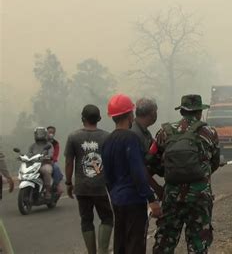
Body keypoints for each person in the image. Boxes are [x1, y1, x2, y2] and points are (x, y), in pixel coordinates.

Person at [153, 94, 221, 254]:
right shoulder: (209, 133)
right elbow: (215, 163)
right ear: (199, 112)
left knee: (164, 243)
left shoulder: (164, 132)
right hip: (199, 198)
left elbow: (153, 163)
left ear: (182, 111)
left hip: (171, 197)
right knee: (198, 244)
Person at [102, 93, 161, 254]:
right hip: (134, 200)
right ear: (130, 114)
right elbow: (138, 170)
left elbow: (106, 175)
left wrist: (114, 194)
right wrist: (151, 199)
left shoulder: (107, 141)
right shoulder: (131, 138)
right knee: (135, 243)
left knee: (120, 243)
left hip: (117, 200)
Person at [64, 105, 113, 254]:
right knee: (107, 218)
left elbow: (68, 162)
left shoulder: (73, 137)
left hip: (82, 187)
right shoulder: (107, 137)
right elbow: (111, 162)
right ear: (99, 119)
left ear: (83, 118)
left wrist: (68, 183)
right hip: (100, 186)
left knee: (86, 220)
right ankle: (103, 250)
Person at [130, 98, 163, 199]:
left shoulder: (144, 131)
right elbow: (139, 167)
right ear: (153, 113)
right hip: (133, 188)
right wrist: (156, 188)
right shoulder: (135, 134)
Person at [28, 127, 54, 199]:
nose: (40, 135)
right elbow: (29, 154)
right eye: (38, 134)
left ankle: (48, 191)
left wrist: (47, 157)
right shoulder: (32, 146)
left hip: (45, 164)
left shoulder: (49, 145)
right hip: (34, 165)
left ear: (45, 134)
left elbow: (51, 154)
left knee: (46, 170)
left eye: (42, 133)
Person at [47, 126, 64, 194]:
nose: (51, 133)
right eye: (49, 132)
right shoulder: (41, 141)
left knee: (56, 168)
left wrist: (52, 160)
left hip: (50, 161)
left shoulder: (55, 143)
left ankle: (55, 185)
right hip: (40, 161)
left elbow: (56, 154)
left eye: (52, 132)